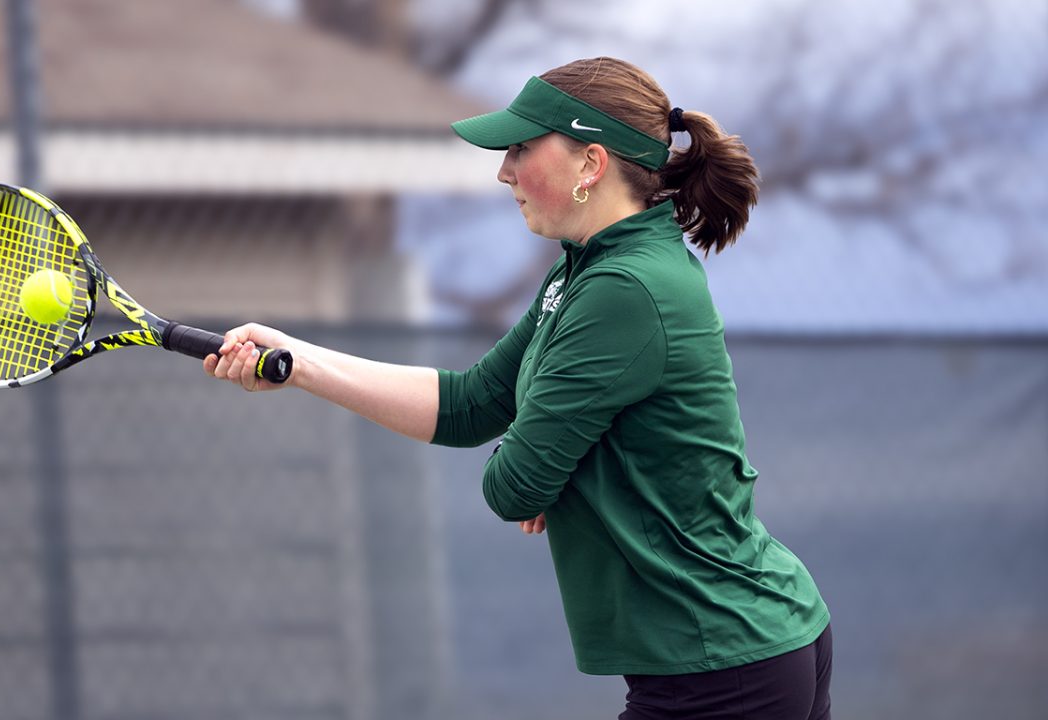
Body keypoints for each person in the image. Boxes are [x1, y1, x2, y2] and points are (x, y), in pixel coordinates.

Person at [204, 57, 832, 720]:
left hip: (723, 667)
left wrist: (553, 465)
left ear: (590, 164)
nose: (504, 171)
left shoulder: (624, 289)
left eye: (522, 149)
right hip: (732, 652)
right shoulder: (589, 270)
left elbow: (515, 485)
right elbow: (473, 403)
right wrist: (297, 359)